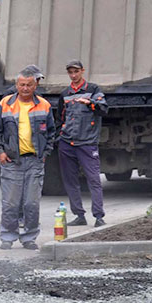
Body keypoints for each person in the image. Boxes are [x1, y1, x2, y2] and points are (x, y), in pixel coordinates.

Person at [0, 68, 55, 250]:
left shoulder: (44, 105)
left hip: (34, 162)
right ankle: (8, 236)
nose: (25, 88)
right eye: (22, 85)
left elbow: (51, 132)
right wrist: (0, 152)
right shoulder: (6, 104)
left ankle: (29, 237)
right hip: (12, 162)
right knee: (10, 203)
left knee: (31, 203)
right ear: (16, 85)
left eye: (29, 85)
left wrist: (44, 154)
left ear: (35, 86)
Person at [56, 59, 108, 227]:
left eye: (76, 71)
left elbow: (104, 109)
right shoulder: (65, 94)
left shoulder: (93, 90)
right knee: (70, 180)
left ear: (82, 71)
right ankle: (79, 215)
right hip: (67, 142)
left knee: (93, 179)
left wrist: (90, 103)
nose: (73, 75)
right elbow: (59, 117)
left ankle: (99, 216)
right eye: (70, 72)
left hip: (87, 143)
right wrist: (60, 135)